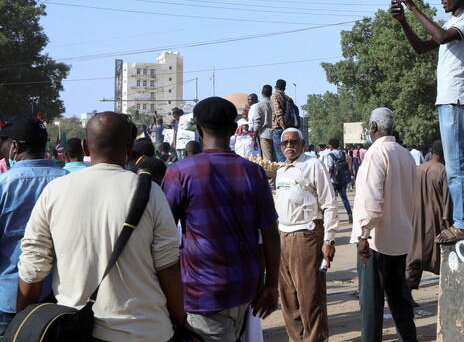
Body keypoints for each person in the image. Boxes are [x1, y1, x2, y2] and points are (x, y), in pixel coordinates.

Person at [17, 112, 189, 342]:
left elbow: (33, 266)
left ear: (86, 147)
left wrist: (23, 320)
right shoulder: (151, 193)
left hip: (75, 329)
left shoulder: (54, 192)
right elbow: (168, 266)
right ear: (129, 148)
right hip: (147, 330)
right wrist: (180, 319)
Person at [162, 97, 281, 341]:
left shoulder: (180, 173)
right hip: (246, 289)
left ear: (198, 129)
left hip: (203, 294)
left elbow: (161, 234)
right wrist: (272, 284)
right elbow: (270, 233)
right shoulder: (254, 173)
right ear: (232, 130)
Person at [352, 108, 417, 342]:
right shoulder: (405, 154)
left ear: (373, 127)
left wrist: (362, 236)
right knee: (400, 300)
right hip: (399, 238)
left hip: (376, 241)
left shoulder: (375, 154)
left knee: (370, 305)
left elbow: (372, 201)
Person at [0, 115, 68, 335]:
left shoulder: (4, 184)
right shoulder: (68, 182)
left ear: (15, 147)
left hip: (9, 298)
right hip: (61, 297)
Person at [274, 127, 338, 342]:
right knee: (289, 297)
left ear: (302, 144)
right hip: (283, 236)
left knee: (310, 296)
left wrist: (328, 240)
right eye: (285, 143)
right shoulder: (281, 171)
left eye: (293, 142)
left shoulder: (313, 165)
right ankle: (297, 338)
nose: (289, 146)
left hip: (307, 237)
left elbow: (329, 204)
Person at [406, 138, 452, 290]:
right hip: (434, 220)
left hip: (414, 218)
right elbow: (447, 202)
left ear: (431, 152)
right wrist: (448, 224)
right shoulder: (443, 171)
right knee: (439, 256)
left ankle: (408, 292)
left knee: (414, 255)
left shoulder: (418, 169)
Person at [325, 138, 353, 224]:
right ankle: (349, 213)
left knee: (331, 199)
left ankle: (333, 217)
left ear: (331, 146)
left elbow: (331, 168)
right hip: (343, 179)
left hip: (334, 180)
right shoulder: (342, 153)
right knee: (344, 197)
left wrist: (329, 179)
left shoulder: (330, 155)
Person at [271, 79, 294, 162]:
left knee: (280, 155)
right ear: (285, 88)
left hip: (278, 128)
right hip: (288, 128)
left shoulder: (275, 96)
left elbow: (278, 113)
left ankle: (284, 172)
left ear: (275, 87)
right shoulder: (288, 98)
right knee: (287, 153)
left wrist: (283, 126)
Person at [250, 85, 275, 163]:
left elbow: (257, 123)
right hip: (276, 134)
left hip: (264, 135)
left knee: (267, 160)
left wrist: (254, 139)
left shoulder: (259, 105)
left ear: (262, 93)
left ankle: (269, 175)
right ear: (271, 93)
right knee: (276, 161)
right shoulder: (275, 104)